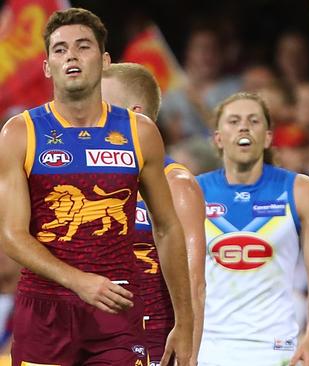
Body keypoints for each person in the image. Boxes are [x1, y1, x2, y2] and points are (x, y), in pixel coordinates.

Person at [0, 8, 193, 365]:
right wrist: (79, 281)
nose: (71, 55)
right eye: (59, 50)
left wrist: (185, 322)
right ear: (47, 66)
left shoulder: (140, 132)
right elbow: (11, 235)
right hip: (44, 313)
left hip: (116, 310)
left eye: (83, 46)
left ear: (104, 61)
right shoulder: (19, 133)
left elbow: (167, 229)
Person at [196, 92, 309, 366]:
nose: (244, 127)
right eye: (233, 121)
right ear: (218, 138)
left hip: (277, 346)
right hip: (209, 345)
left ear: (268, 137)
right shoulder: (193, 191)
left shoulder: (300, 190)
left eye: (253, 120)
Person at [102, 62, 206, 366]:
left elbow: (194, 283)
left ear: (137, 115)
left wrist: (189, 353)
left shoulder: (177, 185)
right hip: (98, 338)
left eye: (103, 106)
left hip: (153, 342)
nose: (92, 116)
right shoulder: (97, 180)